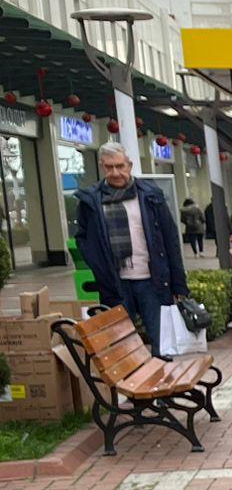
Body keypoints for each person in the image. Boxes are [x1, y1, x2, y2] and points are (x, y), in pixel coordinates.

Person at [74, 143, 189, 355]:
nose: (115, 173)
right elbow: (84, 239)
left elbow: (170, 239)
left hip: (152, 281)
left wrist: (179, 284)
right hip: (115, 284)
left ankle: (163, 375)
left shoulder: (150, 195)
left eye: (120, 166)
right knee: (121, 347)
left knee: (163, 345)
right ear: (101, 167)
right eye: (109, 167)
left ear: (130, 165)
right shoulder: (91, 201)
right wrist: (99, 269)